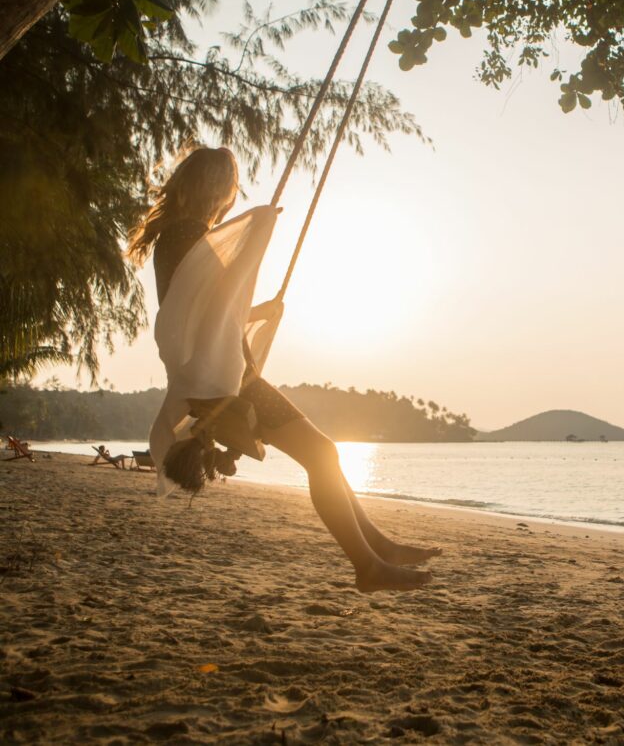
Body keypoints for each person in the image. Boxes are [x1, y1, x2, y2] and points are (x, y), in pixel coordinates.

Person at [127, 146, 436, 592]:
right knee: (322, 454)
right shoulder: (189, 235)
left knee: (323, 454)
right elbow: (207, 311)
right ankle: (368, 563)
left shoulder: (178, 237)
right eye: (229, 190)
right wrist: (259, 227)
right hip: (227, 382)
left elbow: (208, 311)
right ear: (215, 188)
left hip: (219, 378)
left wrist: (258, 311)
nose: (230, 199)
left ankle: (377, 550)